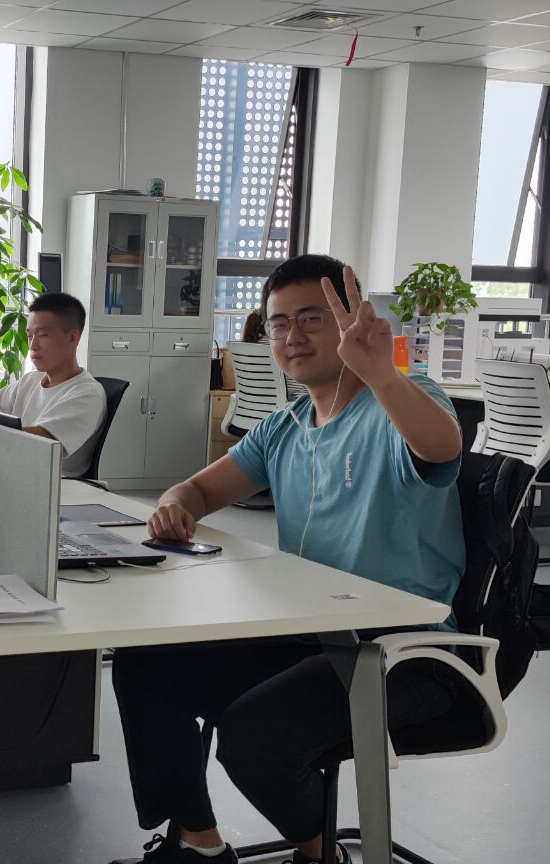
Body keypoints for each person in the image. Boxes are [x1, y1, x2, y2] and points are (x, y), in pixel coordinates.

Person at [108, 254, 468, 864]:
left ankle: (321, 856)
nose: (292, 336)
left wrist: (384, 375)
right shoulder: (285, 425)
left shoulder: (398, 402)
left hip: (401, 653)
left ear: (350, 321)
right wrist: (173, 505)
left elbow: (441, 449)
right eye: (279, 323)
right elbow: (196, 490)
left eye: (311, 319)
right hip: (312, 635)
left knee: (254, 734)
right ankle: (198, 846)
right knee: (147, 662)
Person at [0, 292, 106, 476]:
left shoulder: (87, 394)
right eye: (29, 336)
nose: (33, 346)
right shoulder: (31, 380)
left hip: (54, 484)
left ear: (72, 338)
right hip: (14, 473)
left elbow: (37, 444)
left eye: (43, 335)